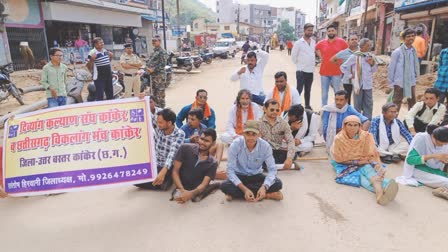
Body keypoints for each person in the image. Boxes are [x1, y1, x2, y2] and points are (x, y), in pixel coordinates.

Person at [331, 116, 399, 206]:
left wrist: (374, 164)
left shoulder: (366, 136)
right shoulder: (339, 139)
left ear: (359, 126)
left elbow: (370, 154)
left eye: (355, 125)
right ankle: (384, 188)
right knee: (360, 178)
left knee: (368, 169)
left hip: (364, 161)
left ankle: (380, 193)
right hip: (345, 164)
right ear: (345, 126)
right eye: (350, 125)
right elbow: (338, 159)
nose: (352, 128)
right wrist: (357, 162)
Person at [220, 120, 284, 202]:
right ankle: (267, 195)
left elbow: (272, 169)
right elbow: (230, 170)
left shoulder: (265, 146)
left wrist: (264, 187)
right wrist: (244, 189)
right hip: (240, 175)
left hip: (256, 175)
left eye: (254, 134)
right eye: (247, 134)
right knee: (224, 186)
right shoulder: (235, 145)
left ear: (259, 134)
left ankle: (236, 195)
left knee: (278, 183)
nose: (250, 137)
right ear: (243, 134)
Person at [135, 108, 185, 190]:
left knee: (162, 181)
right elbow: (147, 116)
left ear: (169, 123)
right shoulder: (159, 129)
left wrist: (163, 171)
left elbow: (172, 154)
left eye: (160, 122)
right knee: (134, 178)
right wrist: (142, 98)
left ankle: (164, 181)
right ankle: (159, 182)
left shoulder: (180, 134)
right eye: (157, 122)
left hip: (168, 166)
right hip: (156, 164)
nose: (158, 124)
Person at [396, 125, 448, 200]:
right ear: (433, 136)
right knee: (446, 182)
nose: (442, 146)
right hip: (418, 170)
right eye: (441, 144)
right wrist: (434, 156)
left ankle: (443, 190)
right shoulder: (422, 138)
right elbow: (410, 160)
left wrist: (443, 159)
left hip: (435, 170)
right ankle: (443, 190)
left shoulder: (444, 139)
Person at [171, 128, 220, 203]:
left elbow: (203, 185)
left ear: (213, 143)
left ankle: (213, 186)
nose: (202, 142)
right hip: (182, 185)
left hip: (197, 187)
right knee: (176, 197)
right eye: (202, 139)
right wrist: (182, 190)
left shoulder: (213, 163)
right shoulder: (184, 148)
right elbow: (175, 171)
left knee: (197, 198)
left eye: (206, 141)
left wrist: (191, 194)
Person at [340, 38, 378, 120]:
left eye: (370, 45)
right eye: (368, 45)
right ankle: (357, 121)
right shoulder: (355, 56)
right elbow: (343, 67)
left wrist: (372, 64)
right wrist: (350, 75)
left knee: (368, 104)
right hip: (358, 84)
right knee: (357, 105)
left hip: (368, 84)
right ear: (362, 46)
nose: (370, 47)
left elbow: (374, 70)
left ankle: (367, 121)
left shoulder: (370, 56)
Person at [315, 24, 348, 106]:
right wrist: (321, 57)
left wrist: (342, 61)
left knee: (337, 92)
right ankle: (324, 109)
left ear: (336, 31)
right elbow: (316, 49)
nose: (331, 32)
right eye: (329, 31)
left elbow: (347, 52)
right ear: (327, 32)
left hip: (336, 72)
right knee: (324, 93)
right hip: (324, 72)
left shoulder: (342, 42)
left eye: (332, 30)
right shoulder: (322, 43)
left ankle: (338, 108)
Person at [388, 28, 419, 113]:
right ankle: (392, 122)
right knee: (396, 102)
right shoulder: (397, 52)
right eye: (408, 36)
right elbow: (391, 68)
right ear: (404, 38)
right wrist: (391, 83)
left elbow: (414, 66)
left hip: (411, 81)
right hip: (399, 82)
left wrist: (416, 77)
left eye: (413, 36)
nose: (411, 38)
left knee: (412, 103)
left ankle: (410, 122)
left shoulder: (414, 51)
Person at [259, 99, 295, 169]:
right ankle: (277, 166)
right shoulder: (258, 123)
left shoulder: (283, 123)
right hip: (264, 152)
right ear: (265, 109)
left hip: (277, 152)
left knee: (293, 154)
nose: (275, 112)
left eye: (277, 110)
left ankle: (269, 166)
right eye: (272, 110)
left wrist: (289, 158)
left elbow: (291, 141)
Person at [291, 23, 316, 110]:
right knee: (299, 89)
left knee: (308, 90)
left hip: (310, 70)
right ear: (304, 31)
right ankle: (296, 105)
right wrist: (300, 65)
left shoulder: (313, 42)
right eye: (309, 30)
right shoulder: (298, 43)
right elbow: (293, 56)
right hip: (301, 70)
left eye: (311, 30)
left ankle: (307, 106)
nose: (310, 32)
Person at [330, 34, 359, 104]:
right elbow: (332, 60)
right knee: (347, 98)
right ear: (348, 42)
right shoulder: (344, 52)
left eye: (356, 39)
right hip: (347, 79)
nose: (354, 41)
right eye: (352, 39)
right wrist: (341, 64)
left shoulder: (361, 52)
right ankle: (347, 113)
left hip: (359, 80)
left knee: (358, 99)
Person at [147, 35, 168, 108]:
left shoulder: (162, 51)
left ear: (159, 41)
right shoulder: (153, 51)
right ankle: (155, 109)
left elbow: (163, 63)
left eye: (155, 41)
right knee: (153, 93)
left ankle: (162, 110)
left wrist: (153, 69)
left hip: (159, 76)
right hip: (152, 76)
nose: (153, 42)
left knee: (160, 94)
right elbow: (149, 62)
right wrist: (147, 68)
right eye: (153, 41)